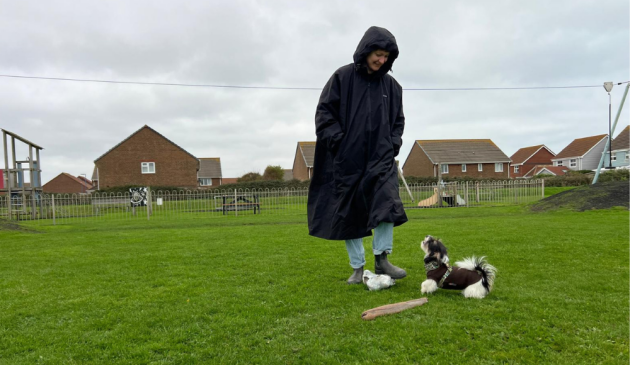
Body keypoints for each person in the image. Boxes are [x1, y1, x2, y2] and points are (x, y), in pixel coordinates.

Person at [307, 26, 408, 284]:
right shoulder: (342, 78)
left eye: (387, 57)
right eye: (378, 54)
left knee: (387, 205)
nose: (382, 61)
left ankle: (382, 258)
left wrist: (392, 144)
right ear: (366, 50)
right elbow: (324, 114)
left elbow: (398, 121)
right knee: (349, 212)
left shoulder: (393, 87)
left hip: (381, 159)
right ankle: (357, 267)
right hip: (347, 161)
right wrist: (339, 143)